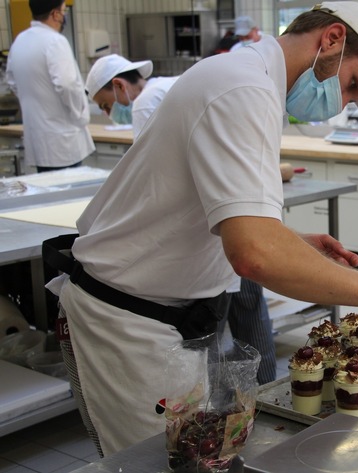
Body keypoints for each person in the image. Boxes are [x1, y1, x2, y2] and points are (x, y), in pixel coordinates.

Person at [46, 1, 358, 456]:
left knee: (190, 456)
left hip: (168, 316)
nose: (342, 102)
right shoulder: (243, 87)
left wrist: (291, 241)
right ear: (331, 39)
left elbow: (217, 214)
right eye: (351, 84)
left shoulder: (248, 80)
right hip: (129, 322)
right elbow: (254, 253)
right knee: (156, 462)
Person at [85, 54, 278, 384]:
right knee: (250, 308)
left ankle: (210, 408)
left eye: (106, 104)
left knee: (205, 338)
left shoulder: (146, 102)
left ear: (118, 85)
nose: (109, 112)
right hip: (235, 217)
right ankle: (265, 390)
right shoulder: (171, 86)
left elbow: (155, 182)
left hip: (212, 232)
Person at [6, 0, 94, 173]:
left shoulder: (20, 41)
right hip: (63, 141)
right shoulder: (55, 41)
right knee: (68, 196)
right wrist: (80, 116)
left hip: (37, 139)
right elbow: (67, 84)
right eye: (63, 11)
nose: (64, 15)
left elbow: (12, 82)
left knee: (49, 192)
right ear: (55, 14)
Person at [85, 54, 179, 138]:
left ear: (119, 85)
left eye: (105, 105)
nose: (109, 114)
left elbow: (150, 156)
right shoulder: (168, 84)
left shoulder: (144, 104)